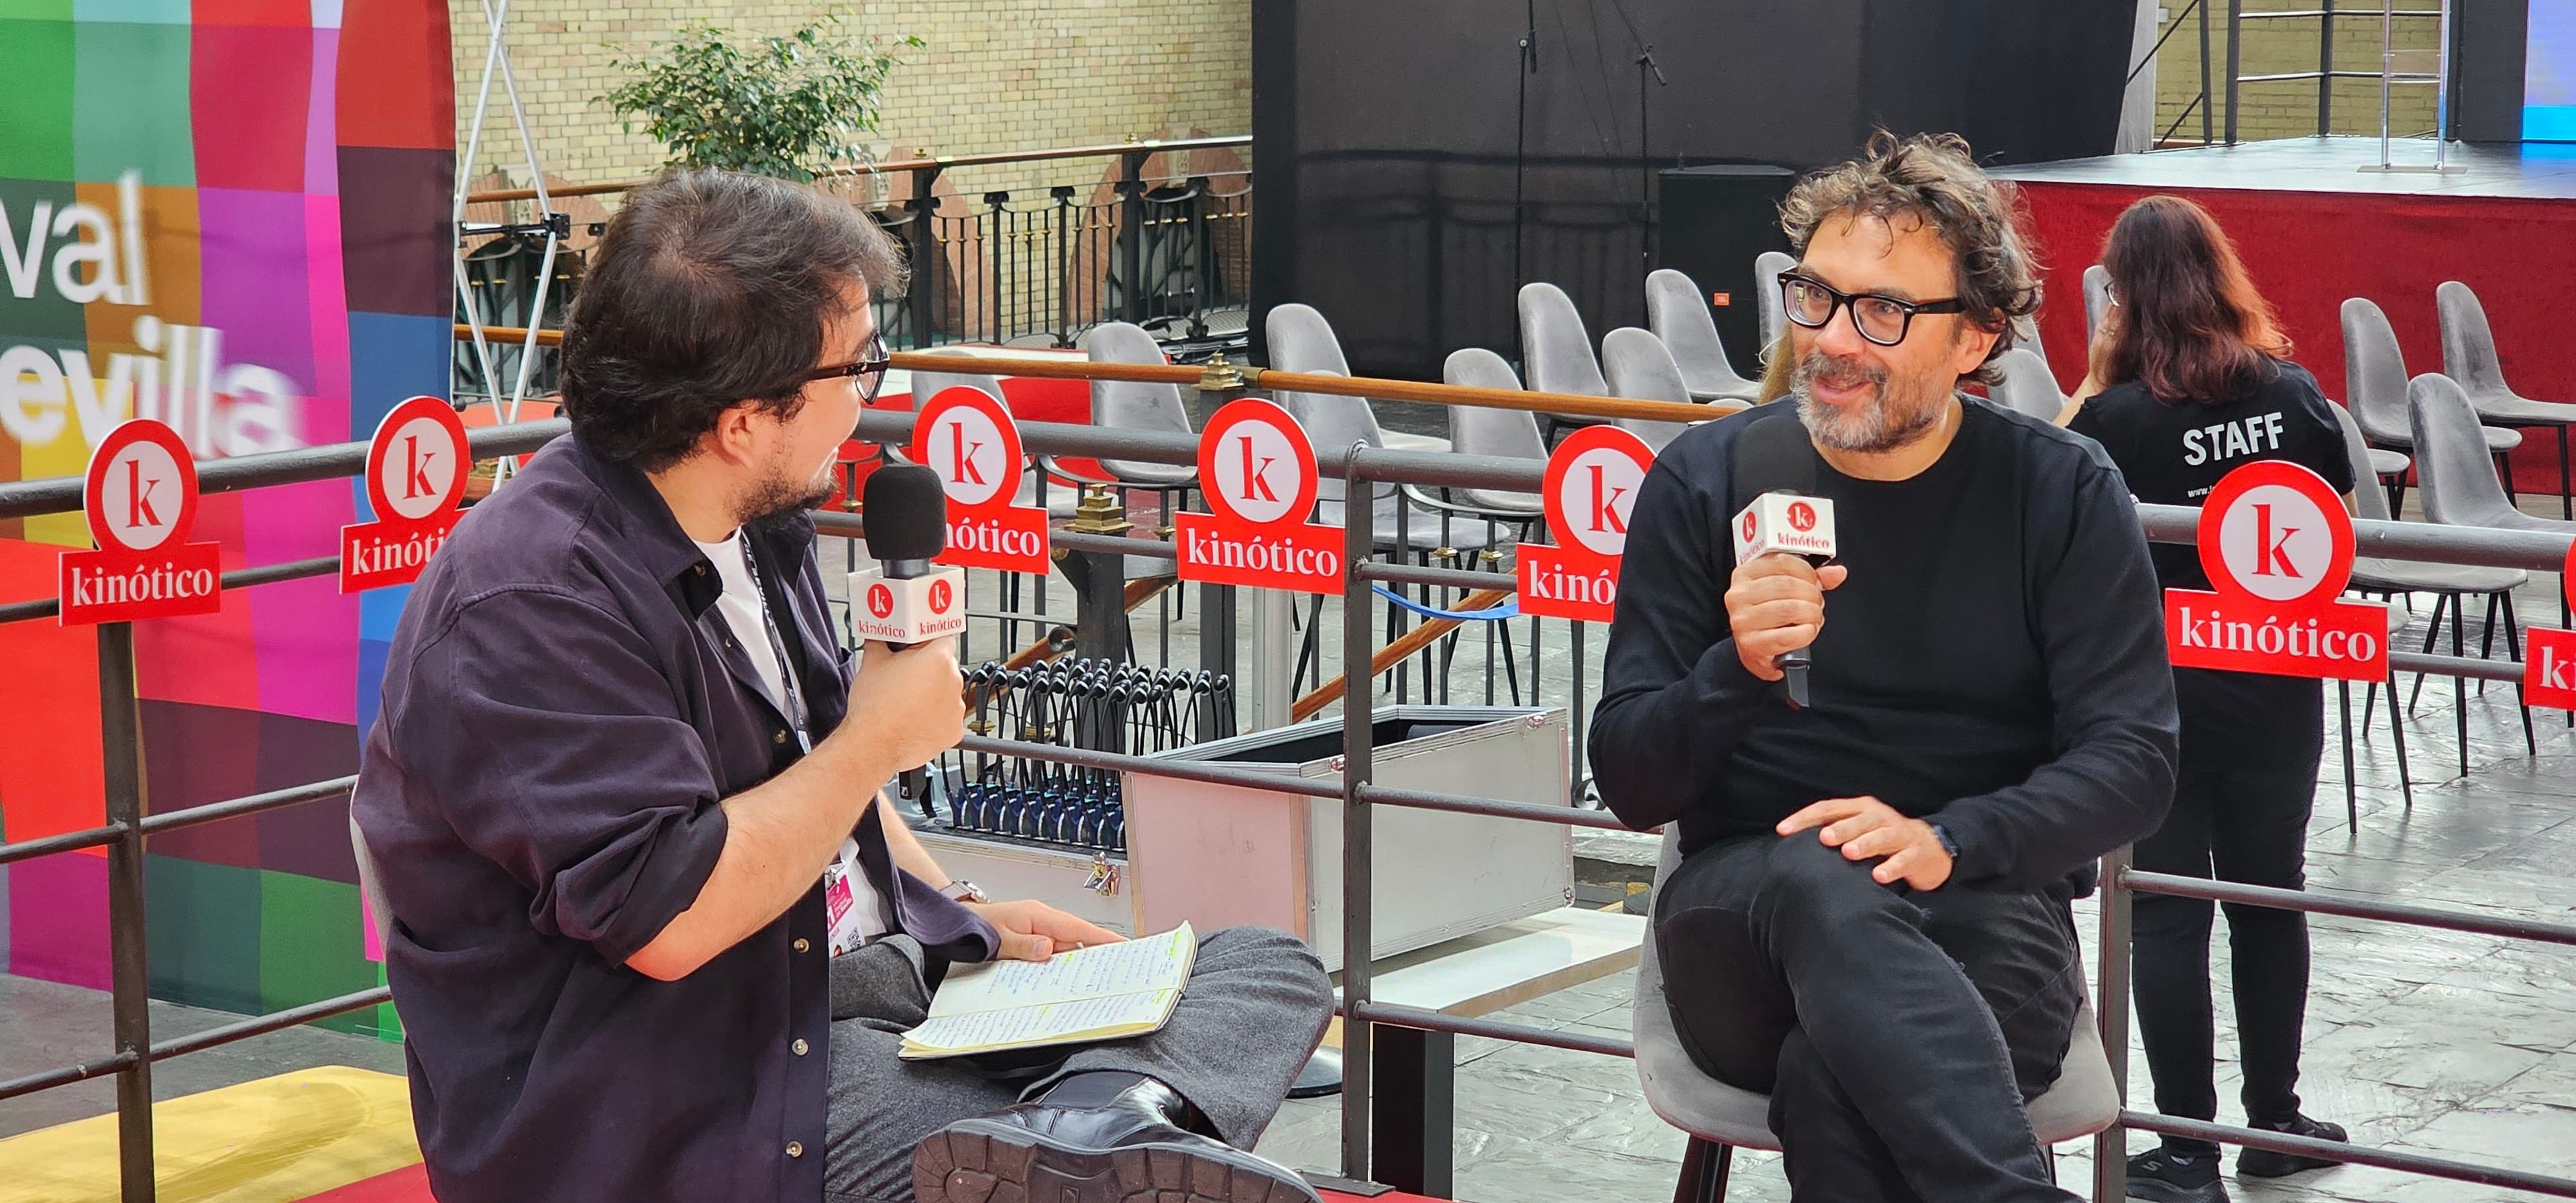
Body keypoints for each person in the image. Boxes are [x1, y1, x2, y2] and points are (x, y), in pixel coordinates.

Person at [352, 168, 1334, 1203]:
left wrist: (967, 910)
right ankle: (1081, 1132)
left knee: (1263, 969)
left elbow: (818, 773)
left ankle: (1081, 1128)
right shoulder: (527, 603)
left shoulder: (755, 513)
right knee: (967, 1133)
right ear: (742, 419)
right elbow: (668, 921)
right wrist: (877, 738)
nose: (873, 400)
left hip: (864, 989)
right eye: (858, 366)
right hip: (694, 1084)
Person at [1591, 132, 2180, 1203]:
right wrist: (1737, 667)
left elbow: (2135, 761)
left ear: (1978, 337)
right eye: (1815, 297)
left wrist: (1950, 838)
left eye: (1884, 312)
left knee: (1839, 1077)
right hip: (1746, 913)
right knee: (1825, 868)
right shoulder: (1705, 479)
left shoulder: (2060, 492)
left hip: (1986, 907)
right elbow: (1629, 779)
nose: (1833, 341)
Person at [2066, 195, 2353, 1203]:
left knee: (2169, 917)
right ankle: (2274, 1121)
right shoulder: (2295, 390)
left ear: (2123, 296)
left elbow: (2077, 550)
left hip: (2163, 700)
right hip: (2280, 686)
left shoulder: (2112, 420)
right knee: (2273, 897)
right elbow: (2336, 521)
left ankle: (2185, 1148)